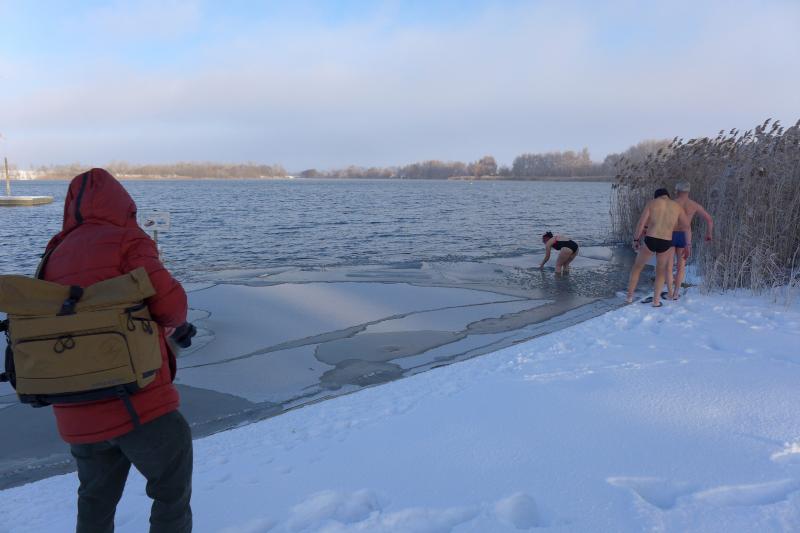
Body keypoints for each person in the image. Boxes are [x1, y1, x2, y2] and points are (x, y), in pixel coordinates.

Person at [38, 168, 193, 533]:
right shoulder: (127, 239)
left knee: (94, 501)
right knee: (171, 492)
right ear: (123, 203)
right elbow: (171, 306)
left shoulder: (54, 251)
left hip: (76, 410)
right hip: (137, 402)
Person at [625, 188, 690, 306]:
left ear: (656, 196)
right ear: (668, 195)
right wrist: (687, 244)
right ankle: (656, 301)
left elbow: (641, 223)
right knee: (660, 272)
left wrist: (636, 239)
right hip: (666, 241)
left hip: (651, 239)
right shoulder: (677, 207)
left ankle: (629, 297)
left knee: (637, 267)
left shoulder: (652, 203)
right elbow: (686, 226)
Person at [667, 181, 714, 299]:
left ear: (677, 190)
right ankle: (676, 293)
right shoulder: (694, 205)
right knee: (681, 267)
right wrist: (709, 233)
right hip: (685, 236)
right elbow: (709, 220)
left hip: (670, 234)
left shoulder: (671, 203)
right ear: (688, 191)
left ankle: (670, 293)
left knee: (669, 266)